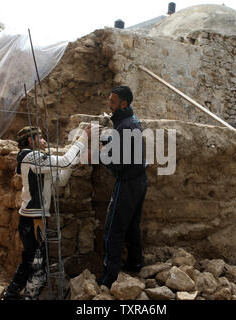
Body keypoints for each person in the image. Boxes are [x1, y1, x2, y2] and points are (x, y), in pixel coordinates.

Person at [2, 125, 91, 300]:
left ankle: (11, 294)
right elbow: (64, 161)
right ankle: (24, 296)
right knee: (36, 266)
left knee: (31, 261)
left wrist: (75, 160)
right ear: (31, 140)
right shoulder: (32, 157)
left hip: (34, 220)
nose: (43, 141)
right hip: (32, 220)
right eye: (40, 137)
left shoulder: (38, 162)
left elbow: (61, 180)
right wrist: (82, 139)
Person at [97, 86, 148, 289]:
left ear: (124, 104)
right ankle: (135, 262)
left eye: (113, 101)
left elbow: (118, 162)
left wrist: (100, 155)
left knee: (113, 229)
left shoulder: (125, 127)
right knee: (132, 225)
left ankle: (109, 277)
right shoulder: (131, 120)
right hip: (140, 180)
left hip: (127, 183)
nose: (109, 105)